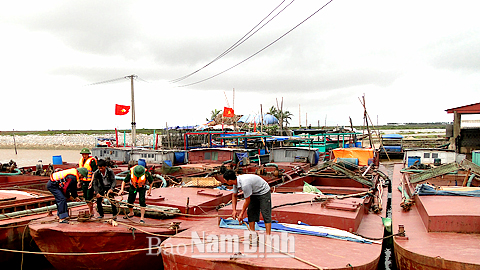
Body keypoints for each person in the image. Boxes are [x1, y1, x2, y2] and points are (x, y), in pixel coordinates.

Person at [223, 169, 272, 241]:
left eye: (225, 180)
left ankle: (268, 236)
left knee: (265, 213)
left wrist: (241, 214)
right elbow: (234, 196)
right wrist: (234, 210)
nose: (224, 182)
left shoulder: (245, 184)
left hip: (263, 192)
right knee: (251, 212)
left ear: (230, 180)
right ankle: (253, 234)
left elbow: (247, 200)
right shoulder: (235, 183)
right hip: (253, 192)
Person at [78, 148, 97, 216]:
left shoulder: (92, 161)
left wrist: (91, 182)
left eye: (85, 154)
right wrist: (79, 181)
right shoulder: (81, 161)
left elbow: (94, 172)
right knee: (85, 197)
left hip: (90, 181)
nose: (84, 156)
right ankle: (90, 209)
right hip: (83, 181)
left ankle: (91, 211)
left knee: (89, 197)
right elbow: (80, 172)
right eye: (83, 154)